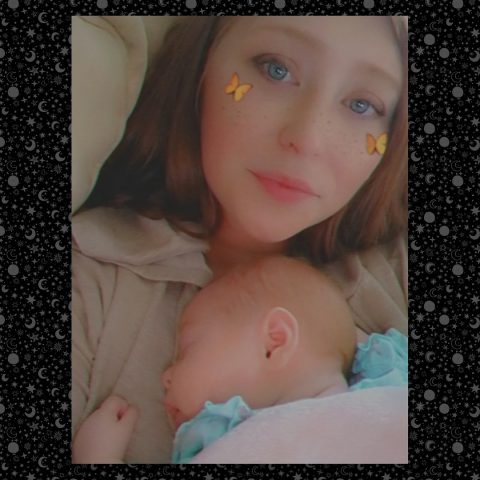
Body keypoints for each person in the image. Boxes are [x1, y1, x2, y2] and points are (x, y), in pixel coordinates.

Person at [72, 16, 408, 463]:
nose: (307, 138)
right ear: (201, 66)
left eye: (362, 105)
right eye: (276, 70)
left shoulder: (397, 274)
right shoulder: (88, 288)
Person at [71, 256, 407, 464]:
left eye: (188, 350)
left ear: (275, 342)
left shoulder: (386, 396)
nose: (166, 376)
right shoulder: (225, 445)